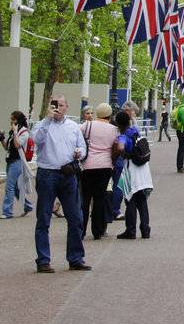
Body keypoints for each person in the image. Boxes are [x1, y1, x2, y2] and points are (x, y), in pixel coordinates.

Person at [32, 94, 90, 273]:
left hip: (68, 174)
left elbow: (83, 146)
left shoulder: (73, 126)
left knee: (76, 218)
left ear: (67, 107)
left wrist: (80, 152)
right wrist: (47, 119)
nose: (58, 108)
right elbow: (36, 140)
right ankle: (43, 260)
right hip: (47, 174)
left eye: (62, 105)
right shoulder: (41, 125)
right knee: (43, 218)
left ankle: (75, 258)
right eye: (55, 105)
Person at [78, 103, 119, 240]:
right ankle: (98, 230)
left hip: (88, 165)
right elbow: (117, 146)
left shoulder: (88, 125)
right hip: (106, 166)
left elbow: (75, 133)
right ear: (110, 114)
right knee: (99, 198)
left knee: (85, 198)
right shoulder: (114, 129)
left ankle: (81, 230)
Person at [114, 110, 153, 239]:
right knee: (142, 201)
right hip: (142, 168)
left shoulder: (123, 135)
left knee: (130, 199)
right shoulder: (135, 130)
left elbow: (120, 147)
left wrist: (121, 152)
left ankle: (130, 230)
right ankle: (145, 229)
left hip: (131, 168)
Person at [0, 110, 34, 219]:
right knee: (16, 188)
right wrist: (2, 139)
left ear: (18, 120)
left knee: (9, 186)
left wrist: (14, 132)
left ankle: (7, 212)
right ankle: (27, 206)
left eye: (13, 120)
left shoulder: (24, 132)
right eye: (11, 119)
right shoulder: (12, 132)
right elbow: (7, 148)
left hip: (17, 162)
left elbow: (18, 145)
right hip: (10, 161)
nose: (11, 122)